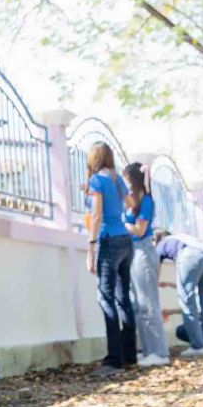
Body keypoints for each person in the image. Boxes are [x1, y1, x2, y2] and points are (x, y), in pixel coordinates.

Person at [84, 142, 137, 374]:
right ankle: (129, 355)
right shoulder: (117, 180)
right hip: (125, 240)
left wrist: (91, 246)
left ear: (94, 158)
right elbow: (131, 204)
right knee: (123, 297)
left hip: (108, 241)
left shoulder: (97, 180)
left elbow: (95, 215)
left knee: (105, 298)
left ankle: (114, 360)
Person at [123, 162, 170, 367]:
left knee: (148, 303)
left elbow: (140, 230)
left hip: (142, 251)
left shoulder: (147, 202)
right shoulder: (132, 202)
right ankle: (149, 350)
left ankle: (159, 352)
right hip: (132, 252)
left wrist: (122, 224)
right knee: (138, 304)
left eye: (126, 178)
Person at [154, 228, 203, 359]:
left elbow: (156, 267)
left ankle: (198, 346)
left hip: (189, 256)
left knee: (187, 301)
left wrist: (154, 286)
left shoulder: (162, 243)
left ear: (157, 238)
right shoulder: (182, 236)